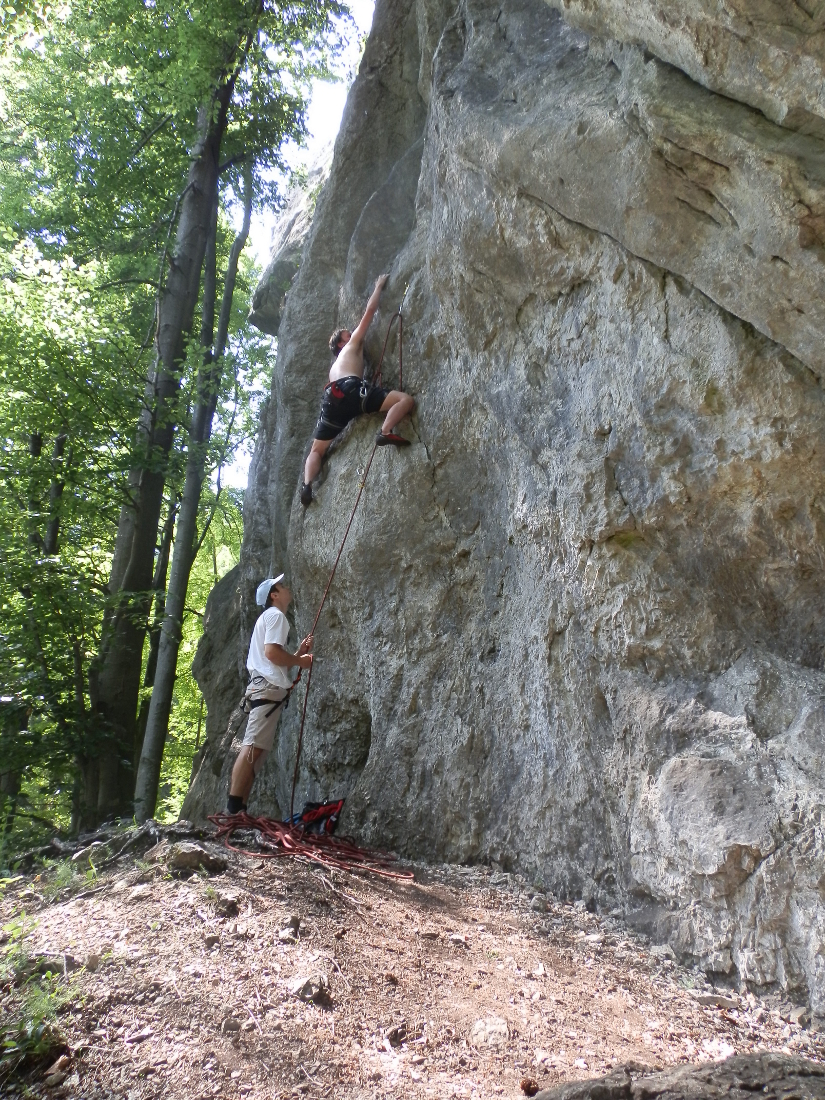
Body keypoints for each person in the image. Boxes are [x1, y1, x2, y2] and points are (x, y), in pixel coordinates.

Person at [300, 274, 416, 506]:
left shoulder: (334, 368)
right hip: (352, 389)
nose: (352, 334)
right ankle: (385, 430)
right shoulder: (351, 346)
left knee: (317, 449)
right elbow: (370, 312)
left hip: (332, 398)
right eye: (347, 335)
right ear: (342, 343)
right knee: (405, 400)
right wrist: (378, 286)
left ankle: (307, 486)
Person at [225, 575, 313, 815]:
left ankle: (240, 809)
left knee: (258, 751)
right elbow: (272, 654)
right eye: (282, 586)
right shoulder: (275, 616)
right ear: (273, 595)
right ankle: (233, 809)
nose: (287, 587)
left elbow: (273, 662)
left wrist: (297, 654)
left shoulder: (270, 618)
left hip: (265, 688)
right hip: (266, 690)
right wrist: (300, 661)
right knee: (252, 746)